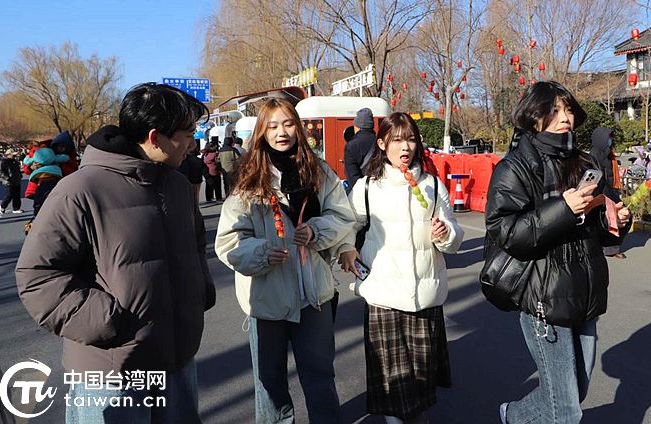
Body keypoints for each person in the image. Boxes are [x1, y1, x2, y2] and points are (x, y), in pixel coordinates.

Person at [15, 83, 216, 423]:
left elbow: (196, 245)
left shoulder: (178, 186)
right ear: (155, 137)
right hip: (110, 373)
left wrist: (201, 290)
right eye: (187, 134)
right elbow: (38, 276)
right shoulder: (80, 190)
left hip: (178, 362)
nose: (192, 143)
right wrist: (106, 320)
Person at [485, 81, 631, 424]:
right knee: (566, 411)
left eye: (567, 110)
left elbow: (598, 232)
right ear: (533, 117)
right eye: (553, 110)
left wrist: (616, 222)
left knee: (574, 392)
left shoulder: (584, 162)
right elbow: (506, 232)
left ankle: (513, 416)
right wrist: (562, 209)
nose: (565, 117)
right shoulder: (515, 168)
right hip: (543, 298)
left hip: (585, 292)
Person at [214, 97, 355, 424]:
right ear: (262, 132)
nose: (282, 132)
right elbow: (230, 240)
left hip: (314, 296)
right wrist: (262, 252)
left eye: (288, 124)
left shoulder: (319, 170)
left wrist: (317, 231)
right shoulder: (249, 178)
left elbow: (343, 216)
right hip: (267, 298)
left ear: (299, 128)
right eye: (273, 126)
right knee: (270, 383)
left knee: (321, 375)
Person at [338, 113, 464, 424]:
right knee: (392, 388)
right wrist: (347, 250)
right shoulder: (366, 188)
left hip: (425, 296)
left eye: (410, 139)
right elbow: (346, 227)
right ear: (382, 144)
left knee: (420, 387)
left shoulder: (432, 185)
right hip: (383, 295)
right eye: (397, 140)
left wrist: (445, 233)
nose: (405, 147)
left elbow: (454, 236)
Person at [590, 126, 627, 259]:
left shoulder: (608, 153)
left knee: (612, 219)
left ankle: (611, 248)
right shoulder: (595, 155)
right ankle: (608, 248)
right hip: (602, 192)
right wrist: (607, 194)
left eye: (611, 137)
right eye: (608, 137)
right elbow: (599, 177)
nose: (610, 140)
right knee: (606, 220)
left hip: (611, 190)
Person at [343, 107, 376, 190]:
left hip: (361, 191)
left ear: (357, 126)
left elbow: (352, 176)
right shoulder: (380, 143)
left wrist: (363, 191)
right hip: (379, 189)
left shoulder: (351, 146)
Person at [177, 140, 207, 205]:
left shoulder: (183, 160)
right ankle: (195, 208)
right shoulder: (198, 160)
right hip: (196, 181)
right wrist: (208, 178)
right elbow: (204, 170)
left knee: (187, 196)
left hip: (187, 180)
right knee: (195, 196)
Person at [0, 149, 23, 214]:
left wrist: (20, 175)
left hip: (16, 180)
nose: (14, 156)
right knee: (9, 195)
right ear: (8, 155)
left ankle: (16, 208)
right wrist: (7, 178)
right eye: (13, 155)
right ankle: (2, 206)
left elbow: (17, 169)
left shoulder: (14, 161)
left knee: (17, 195)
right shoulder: (4, 161)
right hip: (9, 181)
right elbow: (1, 171)